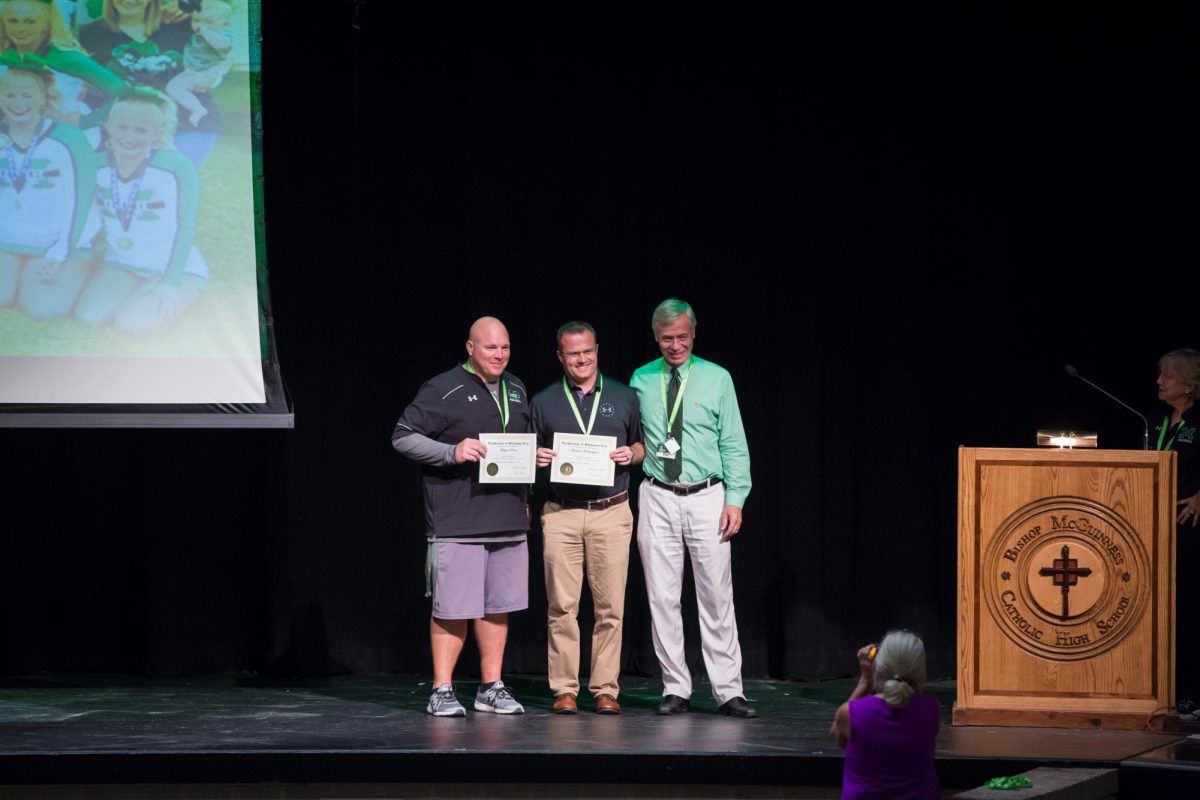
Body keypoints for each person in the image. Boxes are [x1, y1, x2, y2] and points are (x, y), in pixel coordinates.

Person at [391, 316, 532, 717]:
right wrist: (451, 452)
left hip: (507, 517)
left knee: (497, 605)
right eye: (491, 348)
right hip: (458, 519)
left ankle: (491, 686)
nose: (499, 355)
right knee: (453, 607)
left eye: (505, 347)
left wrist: (529, 488)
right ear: (470, 348)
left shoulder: (518, 388)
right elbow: (402, 436)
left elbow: (517, 446)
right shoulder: (443, 387)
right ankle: (441, 688)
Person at [629, 297, 755, 718]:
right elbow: (637, 438)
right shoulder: (641, 379)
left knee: (716, 596)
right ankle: (675, 687)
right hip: (658, 493)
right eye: (667, 339)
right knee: (662, 596)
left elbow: (733, 442)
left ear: (694, 333)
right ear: (655, 337)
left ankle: (728, 690)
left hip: (706, 495)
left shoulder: (718, 378)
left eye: (682, 337)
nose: (675, 345)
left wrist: (735, 498)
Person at [530, 321, 644, 715]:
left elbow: (640, 445)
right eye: (573, 353)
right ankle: (564, 688)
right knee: (562, 607)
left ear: (597, 350)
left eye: (587, 351)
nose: (582, 359)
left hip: (611, 512)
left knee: (610, 608)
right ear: (561, 357)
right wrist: (536, 458)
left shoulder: (624, 395)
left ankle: (605, 689)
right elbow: (530, 453)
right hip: (561, 514)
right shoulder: (543, 401)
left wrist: (634, 455)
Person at [62, 87, 203, 334]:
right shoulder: (94, 166)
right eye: (123, 127)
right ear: (109, 127)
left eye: (141, 130)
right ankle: (135, 288)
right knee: (89, 316)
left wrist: (171, 282)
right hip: (123, 263)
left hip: (172, 267)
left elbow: (186, 227)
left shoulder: (177, 167)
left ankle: (182, 290)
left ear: (156, 132)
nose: (129, 136)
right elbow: (82, 219)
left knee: (133, 325)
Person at [0, 52, 94, 311]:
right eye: (9, 94)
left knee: (41, 309)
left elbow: (83, 201)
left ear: (43, 97)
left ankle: (83, 274)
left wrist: (59, 253)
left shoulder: (69, 139)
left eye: (27, 95)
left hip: (55, 243)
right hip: (8, 240)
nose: (18, 102)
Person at [79, 0, 219, 166]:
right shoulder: (89, 35)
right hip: (124, 130)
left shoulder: (182, 26)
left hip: (187, 124)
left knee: (170, 182)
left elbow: (219, 56)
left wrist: (210, 75)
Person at [830, 630, 940, 799]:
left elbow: (837, 735)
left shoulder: (851, 713)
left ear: (879, 665)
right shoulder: (931, 709)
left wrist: (865, 682)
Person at [1154, 348, 1200, 717]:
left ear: (1189, 384)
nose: (1159, 382)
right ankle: (1163, 688)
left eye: (1167, 376)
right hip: (1155, 527)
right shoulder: (1157, 421)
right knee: (1162, 611)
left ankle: (1191, 692)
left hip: (1190, 529)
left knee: (1188, 611)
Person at [0, 0, 126, 124]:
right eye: (13, 21)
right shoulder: (6, 59)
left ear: (46, 25)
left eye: (30, 22)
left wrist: (87, 122)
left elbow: (122, 91)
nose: (20, 28)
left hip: (60, 137)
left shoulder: (66, 58)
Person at [164, 0, 230, 127]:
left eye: (209, 22)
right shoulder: (198, 36)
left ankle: (198, 109)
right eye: (196, 20)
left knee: (173, 88)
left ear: (225, 24)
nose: (199, 26)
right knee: (176, 88)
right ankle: (193, 106)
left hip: (205, 72)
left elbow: (222, 45)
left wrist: (206, 31)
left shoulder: (221, 36)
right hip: (192, 71)